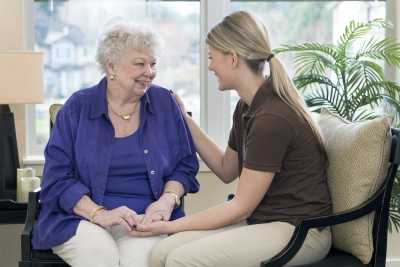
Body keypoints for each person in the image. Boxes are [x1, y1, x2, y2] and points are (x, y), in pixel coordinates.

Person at [132, 11, 333, 267]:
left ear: (233, 58)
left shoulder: (272, 118)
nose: (210, 66)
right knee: (161, 253)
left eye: (212, 58)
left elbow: (241, 207)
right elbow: (227, 169)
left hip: (299, 231)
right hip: (265, 220)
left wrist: (172, 224)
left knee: (181, 260)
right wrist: (184, 119)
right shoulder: (247, 107)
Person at [32, 22, 200, 267]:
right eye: (140, 64)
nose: (150, 72)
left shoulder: (165, 103)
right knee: (99, 257)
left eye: (153, 64)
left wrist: (165, 202)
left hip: (146, 221)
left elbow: (185, 166)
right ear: (111, 65)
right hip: (81, 219)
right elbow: (56, 180)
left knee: (143, 260)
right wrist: (101, 215)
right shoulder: (78, 108)